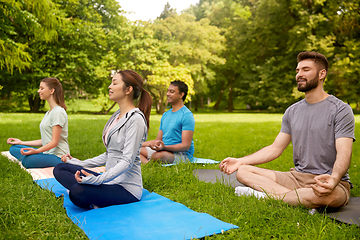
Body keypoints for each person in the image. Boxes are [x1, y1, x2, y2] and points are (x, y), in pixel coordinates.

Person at [220, 51, 355, 209]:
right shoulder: (292, 111)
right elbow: (275, 148)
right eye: (297, 71)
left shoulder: (340, 109)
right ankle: (296, 198)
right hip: (296, 177)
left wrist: (334, 178)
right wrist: (240, 161)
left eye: (305, 69)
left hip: (327, 180)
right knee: (243, 171)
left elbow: (344, 153)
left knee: (329, 198)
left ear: (321, 74)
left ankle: (268, 195)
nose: (299, 74)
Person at [53, 70, 152, 209]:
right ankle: (95, 195)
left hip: (126, 188)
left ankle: (91, 194)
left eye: (114, 83)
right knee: (60, 168)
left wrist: (98, 180)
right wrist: (78, 162)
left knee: (77, 192)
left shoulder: (135, 119)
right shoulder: (117, 115)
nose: (109, 86)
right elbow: (109, 154)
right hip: (109, 181)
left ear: (128, 89)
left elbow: (127, 161)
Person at [7, 77, 70, 168]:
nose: (38, 91)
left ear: (52, 91)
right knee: (14, 148)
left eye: (42, 88)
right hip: (47, 153)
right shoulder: (49, 113)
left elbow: (54, 142)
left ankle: (33, 158)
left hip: (58, 157)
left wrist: (36, 151)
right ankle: (34, 157)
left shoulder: (58, 112)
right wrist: (22, 142)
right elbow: (45, 140)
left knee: (28, 160)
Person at [140, 80, 195, 164]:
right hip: (163, 150)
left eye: (171, 92)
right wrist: (138, 144)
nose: (167, 94)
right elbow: (158, 140)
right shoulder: (165, 115)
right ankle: (149, 164)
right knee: (135, 150)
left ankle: (149, 163)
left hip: (181, 154)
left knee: (157, 156)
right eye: (168, 91)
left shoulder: (187, 115)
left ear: (181, 95)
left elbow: (186, 146)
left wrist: (165, 147)